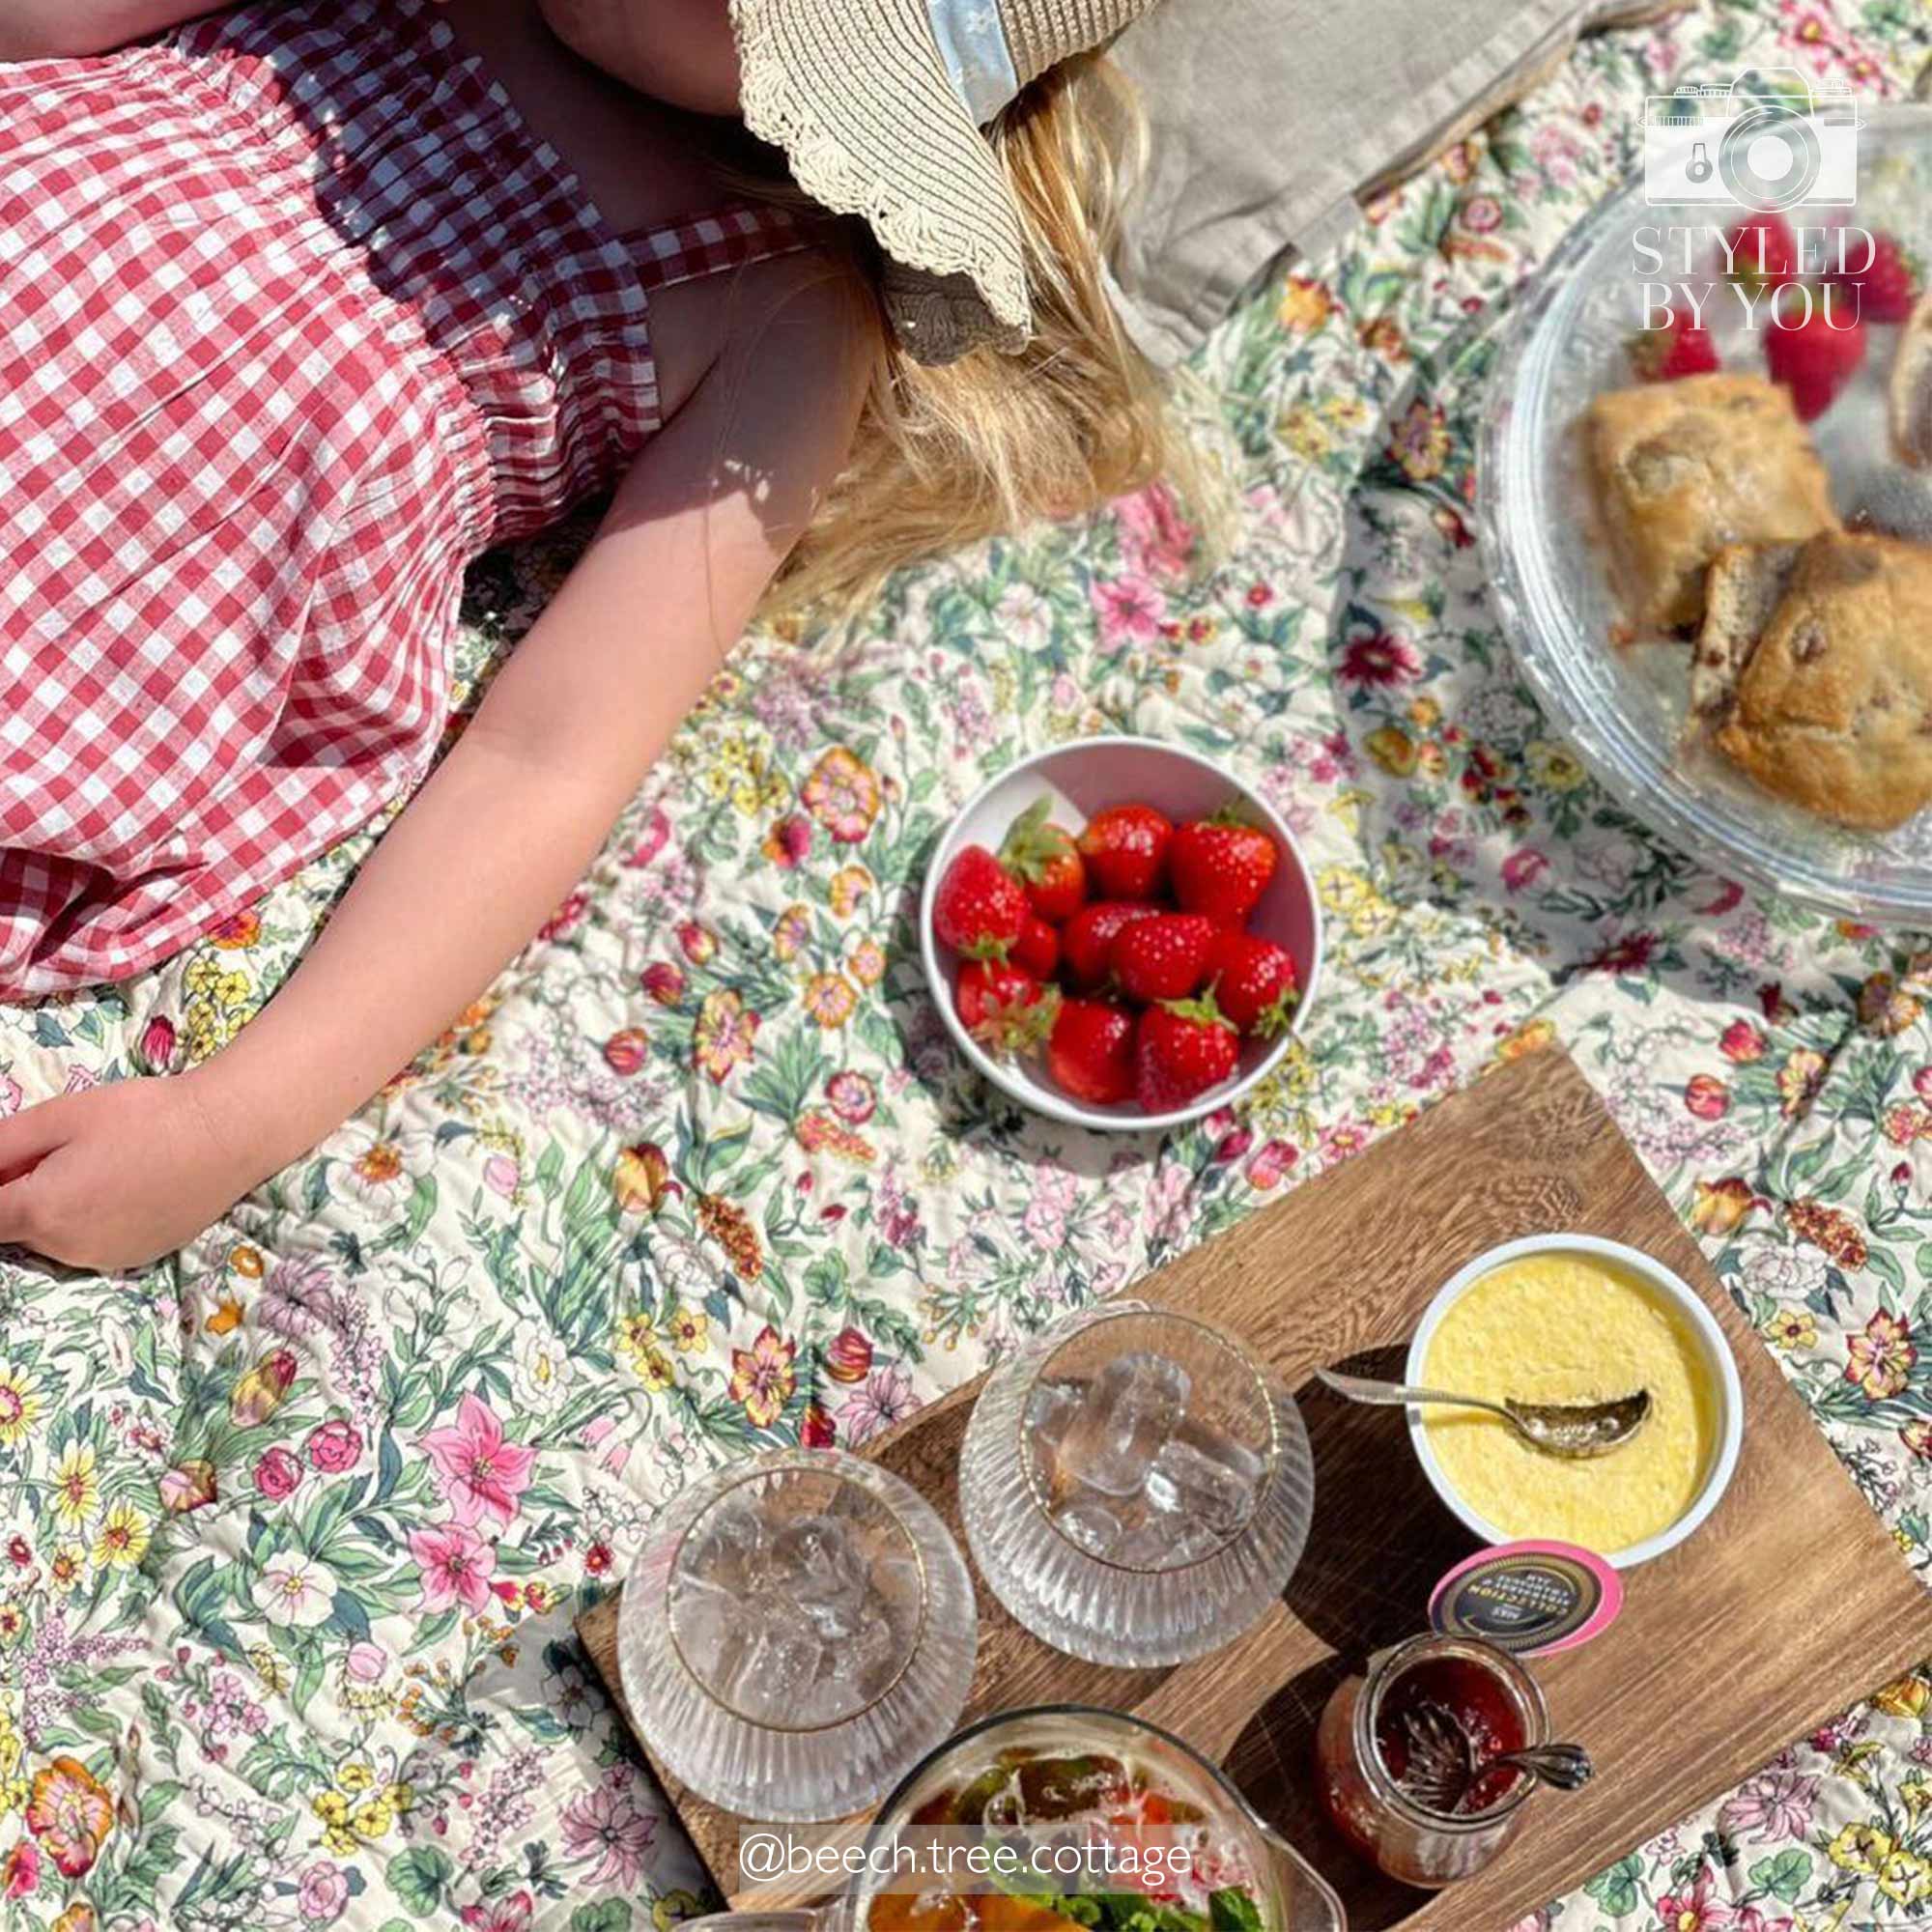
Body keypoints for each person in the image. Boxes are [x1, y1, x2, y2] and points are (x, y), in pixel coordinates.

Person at [0, 0, 1192, 1268]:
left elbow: (549, 760)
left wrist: (229, 1122)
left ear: (853, 87)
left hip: (84, 619)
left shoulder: (775, 309)